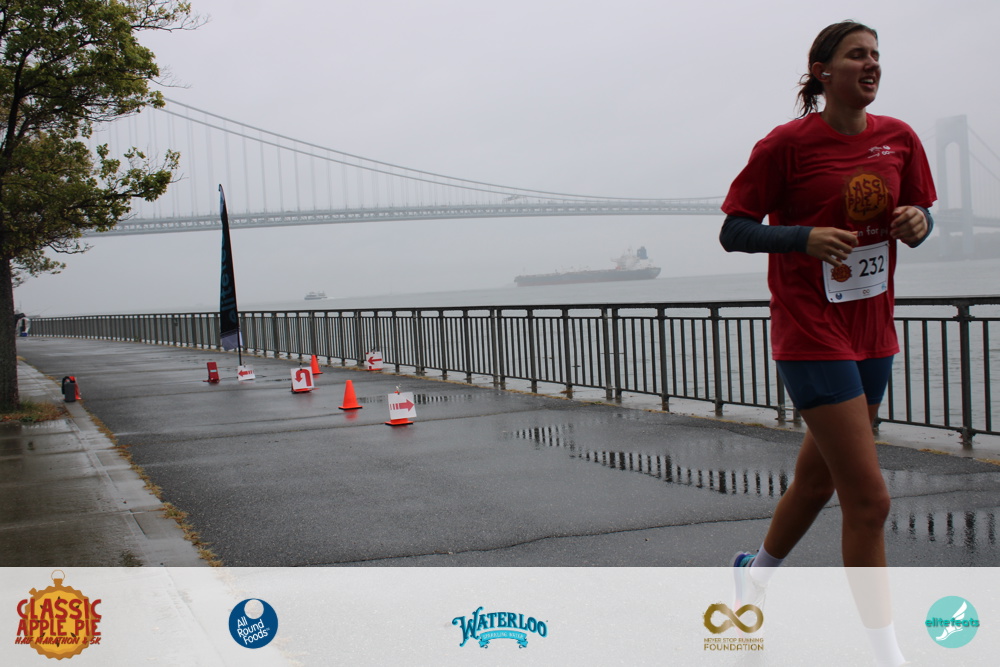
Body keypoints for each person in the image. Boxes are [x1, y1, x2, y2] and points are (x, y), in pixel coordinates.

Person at [719, 20, 935, 667]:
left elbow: (921, 216)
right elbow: (734, 230)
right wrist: (802, 238)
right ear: (822, 71)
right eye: (856, 55)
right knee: (869, 500)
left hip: (873, 332)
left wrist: (919, 221)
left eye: (876, 55)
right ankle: (887, 655)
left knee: (816, 484)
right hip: (810, 332)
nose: (871, 64)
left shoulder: (900, 138)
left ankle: (753, 576)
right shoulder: (785, 145)